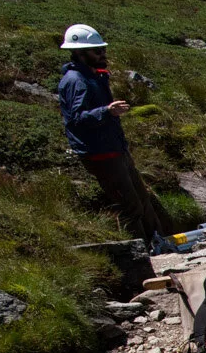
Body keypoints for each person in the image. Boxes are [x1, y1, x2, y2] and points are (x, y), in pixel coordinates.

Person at [56, 23, 173, 240]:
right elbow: (76, 119)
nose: (103, 54)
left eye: (103, 50)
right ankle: (141, 255)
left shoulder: (94, 76)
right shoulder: (75, 81)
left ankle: (160, 243)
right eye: (97, 51)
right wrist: (107, 111)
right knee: (130, 206)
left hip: (115, 149)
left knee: (142, 198)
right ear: (80, 53)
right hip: (101, 154)